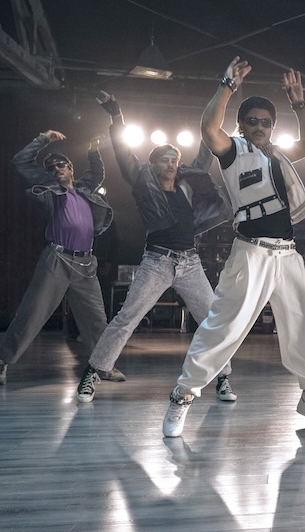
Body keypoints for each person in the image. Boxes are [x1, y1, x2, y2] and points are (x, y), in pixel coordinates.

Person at [161, 57, 305, 437]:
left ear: (272, 126)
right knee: (224, 327)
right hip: (251, 252)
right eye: (253, 121)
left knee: (304, 326)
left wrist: (299, 103)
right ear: (241, 125)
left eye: (266, 122)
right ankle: (182, 395)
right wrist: (227, 86)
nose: (260, 126)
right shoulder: (233, 151)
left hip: (287, 255)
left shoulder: (279, 154)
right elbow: (208, 128)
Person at [76, 93, 234, 403]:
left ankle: (223, 378)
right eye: (165, 159)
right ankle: (93, 373)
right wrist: (117, 116)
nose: (172, 164)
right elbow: (123, 152)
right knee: (126, 319)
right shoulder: (141, 179)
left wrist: (217, 110)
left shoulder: (189, 182)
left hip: (190, 263)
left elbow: (206, 147)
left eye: (175, 159)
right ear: (152, 164)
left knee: (212, 321)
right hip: (157, 262)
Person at [0, 130, 117, 387]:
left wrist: (93, 149)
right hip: (57, 259)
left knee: (96, 319)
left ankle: (104, 365)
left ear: (71, 168)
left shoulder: (84, 189)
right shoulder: (50, 188)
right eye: (51, 167)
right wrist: (42, 139)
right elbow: (20, 162)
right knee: (32, 314)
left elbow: (97, 172)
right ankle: (3, 359)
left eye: (61, 164)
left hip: (86, 264)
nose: (56, 169)